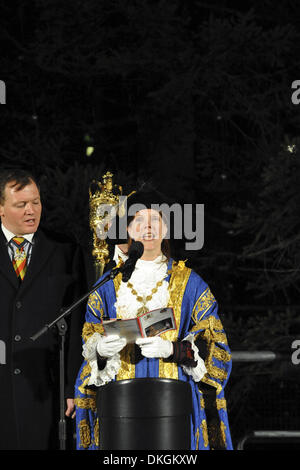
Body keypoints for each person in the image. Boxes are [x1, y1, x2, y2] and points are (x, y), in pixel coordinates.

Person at [74, 187, 233, 450]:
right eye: (139, 220)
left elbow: (217, 347)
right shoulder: (107, 284)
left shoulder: (191, 283)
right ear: (128, 230)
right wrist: (99, 350)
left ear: (166, 229)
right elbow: (89, 336)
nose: (148, 227)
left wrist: (175, 349)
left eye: (155, 220)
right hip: (120, 405)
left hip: (173, 404)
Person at [0, 169, 86, 450]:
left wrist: (72, 385)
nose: (31, 211)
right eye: (21, 204)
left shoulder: (64, 250)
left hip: (46, 391)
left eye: (35, 202)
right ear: (1, 209)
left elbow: (76, 325)